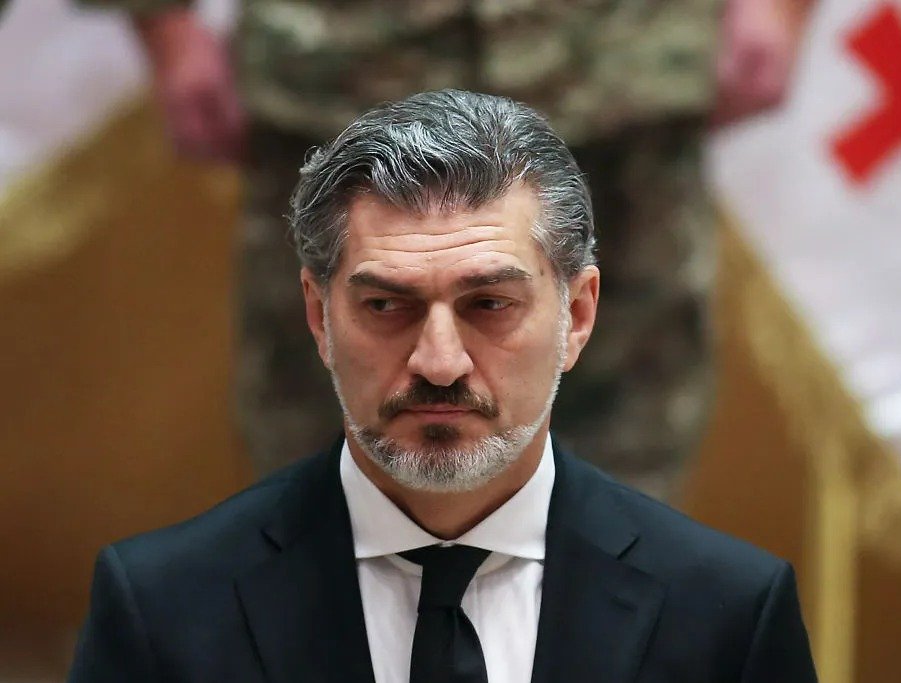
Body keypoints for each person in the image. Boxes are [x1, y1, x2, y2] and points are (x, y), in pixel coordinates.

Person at [69, 90, 817, 683]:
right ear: (319, 317)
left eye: (488, 304)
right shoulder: (163, 606)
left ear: (579, 315)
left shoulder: (727, 613)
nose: (438, 362)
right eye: (385, 306)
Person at [78, 0, 812, 496]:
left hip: (618, 71)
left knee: (622, 451)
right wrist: (167, 26)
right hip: (336, 72)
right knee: (321, 446)